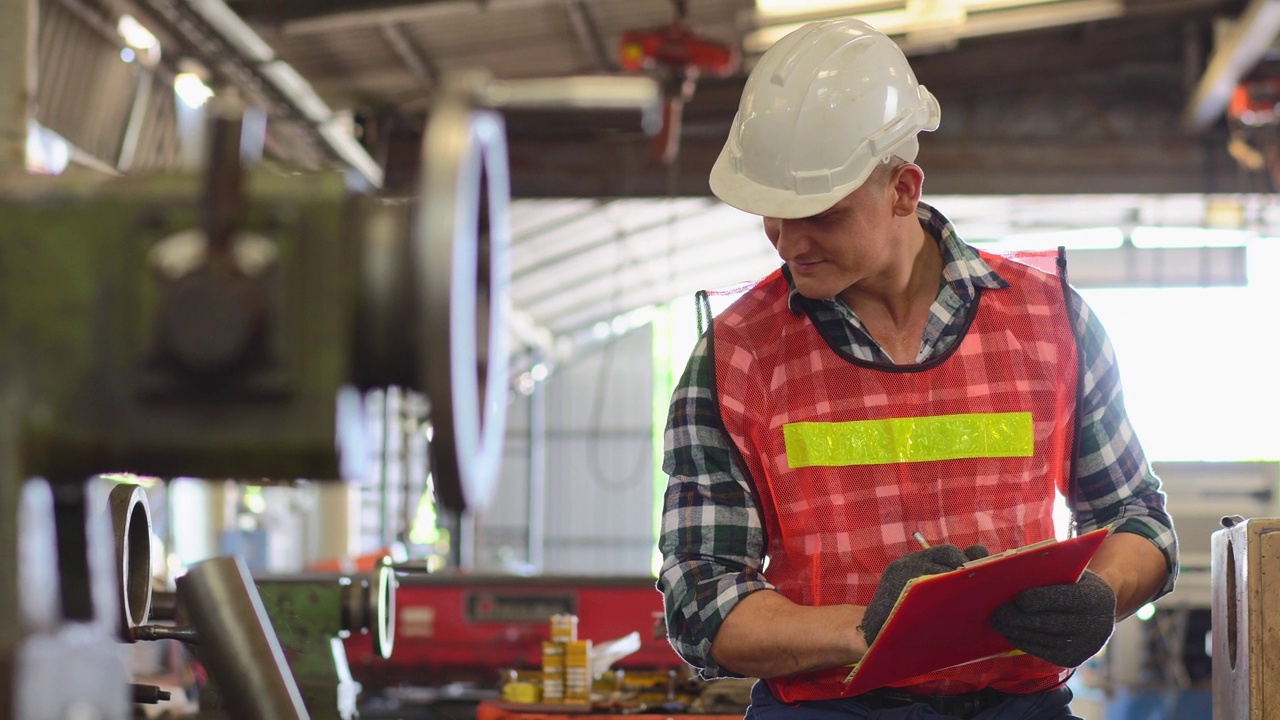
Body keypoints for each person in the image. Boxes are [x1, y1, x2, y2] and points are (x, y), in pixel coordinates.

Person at [656, 17, 1178, 720]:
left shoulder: (1051, 322)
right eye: (771, 216)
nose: (788, 242)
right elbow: (701, 599)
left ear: (903, 189)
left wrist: (1102, 594)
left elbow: (1138, 519)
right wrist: (866, 629)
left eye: (820, 214)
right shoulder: (736, 357)